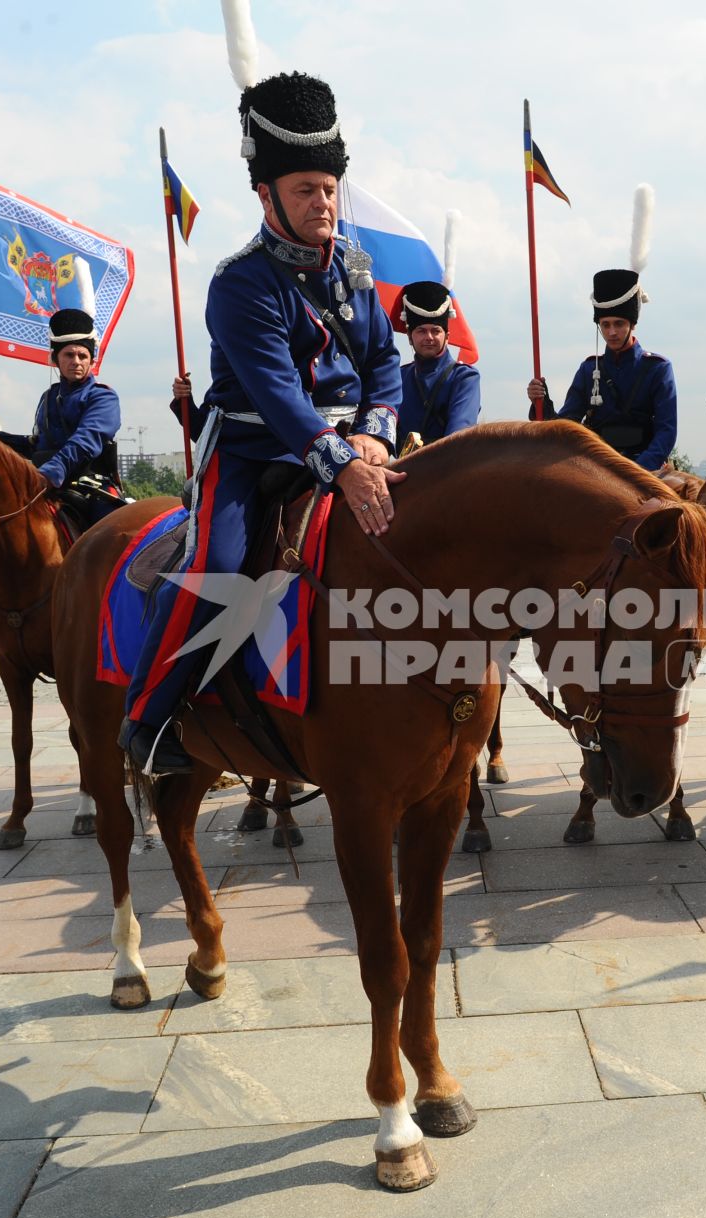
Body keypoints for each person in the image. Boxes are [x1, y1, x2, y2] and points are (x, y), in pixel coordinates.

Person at [121, 69, 403, 774]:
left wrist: (375, 429)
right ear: (266, 193)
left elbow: (383, 364)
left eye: (330, 188)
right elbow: (278, 396)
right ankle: (149, 722)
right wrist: (344, 461)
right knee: (213, 568)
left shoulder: (355, 268)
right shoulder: (239, 281)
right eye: (306, 189)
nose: (324, 203)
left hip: (348, 446)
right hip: (253, 451)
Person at [525, 196, 678, 473]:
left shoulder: (658, 369)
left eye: (619, 324)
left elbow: (666, 433)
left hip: (646, 468)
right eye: (605, 324)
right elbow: (568, 425)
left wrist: (635, 470)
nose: (612, 332)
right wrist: (542, 403)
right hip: (597, 468)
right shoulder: (588, 370)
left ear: (632, 324)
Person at [0, 309, 126, 527]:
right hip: (45, 483)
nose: (76, 361)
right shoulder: (49, 397)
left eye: (83, 356)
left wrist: (50, 473)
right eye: (69, 355)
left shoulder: (103, 397)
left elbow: (85, 442)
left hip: (91, 487)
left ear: (91, 360)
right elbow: (36, 445)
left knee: (112, 536)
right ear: (56, 358)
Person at [393, 280, 481, 445]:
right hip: (401, 469)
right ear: (410, 337)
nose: (429, 337)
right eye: (421, 331)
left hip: (449, 468)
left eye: (436, 331)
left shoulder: (464, 377)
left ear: (447, 337)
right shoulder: (399, 377)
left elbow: (457, 438)